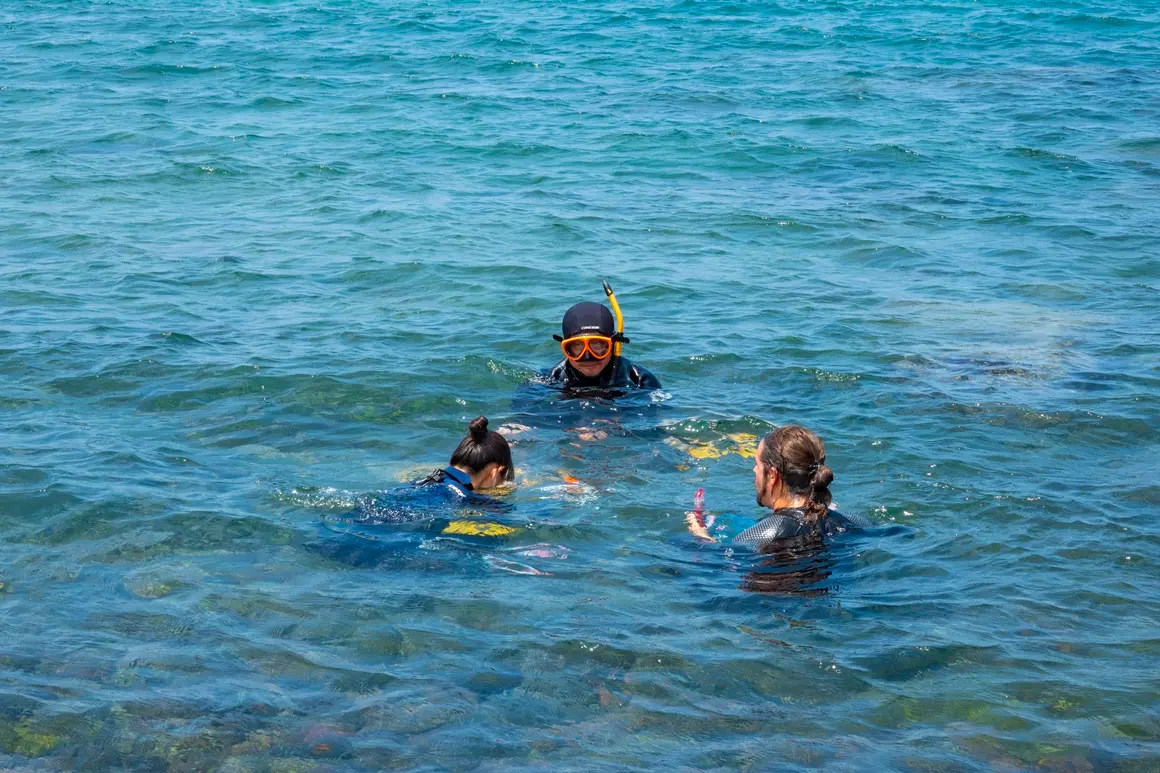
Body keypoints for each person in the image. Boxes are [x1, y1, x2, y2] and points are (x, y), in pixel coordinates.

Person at [687, 424, 866, 550]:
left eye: (757, 464)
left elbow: (718, 563)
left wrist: (700, 535)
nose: (754, 470)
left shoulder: (767, 532)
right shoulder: (850, 521)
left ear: (772, 475)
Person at [544, 281, 661, 393]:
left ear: (613, 344)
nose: (587, 356)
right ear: (566, 349)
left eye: (597, 344)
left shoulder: (640, 381)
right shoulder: (551, 379)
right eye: (577, 346)